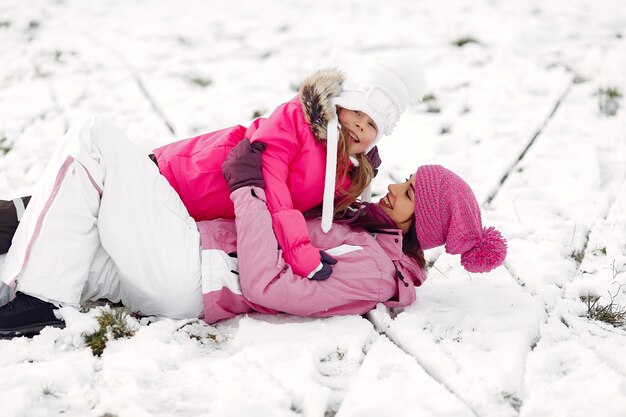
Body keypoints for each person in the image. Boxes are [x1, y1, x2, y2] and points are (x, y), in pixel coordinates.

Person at [0, 126, 506, 337]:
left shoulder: (377, 272)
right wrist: (334, 168)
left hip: (192, 275)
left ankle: (42, 301)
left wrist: (249, 188)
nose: (395, 187)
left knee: (96, 139)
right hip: (186, 255)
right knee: (59, 231)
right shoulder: (366, 229)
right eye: (408, 179)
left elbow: (270, 283)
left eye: (410, 193)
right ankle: (28, 276)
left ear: (423, 225)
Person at [150, 55, 426, 280]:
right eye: (357, 112)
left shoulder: (347, 174)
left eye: (372, 125)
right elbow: (273, 185)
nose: (360, 125)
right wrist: (298, 250)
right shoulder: (296, 120)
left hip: (198, 216)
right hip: (177, 178)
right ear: (340, 105)